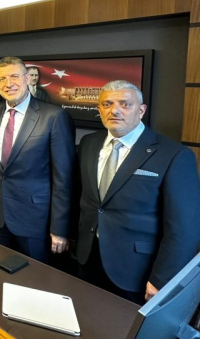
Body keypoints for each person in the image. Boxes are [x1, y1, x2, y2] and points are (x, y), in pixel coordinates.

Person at [75, 80, 200, 304]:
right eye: (107, 104)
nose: (115, 110)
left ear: (141, 110)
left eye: (125, 104)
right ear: (99, 110)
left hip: (137, 271)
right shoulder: (88, 144)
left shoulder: (174, 155)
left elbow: (185, 228)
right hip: (88, 259)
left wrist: (162, 279)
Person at [0, 57, 75, 263]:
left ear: (27, 78)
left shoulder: (54, 116)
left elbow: (63, 178)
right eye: (2, 79)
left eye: (14, 76)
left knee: (34, 275)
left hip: (35, 220)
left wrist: (60, 227)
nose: (8, 83)